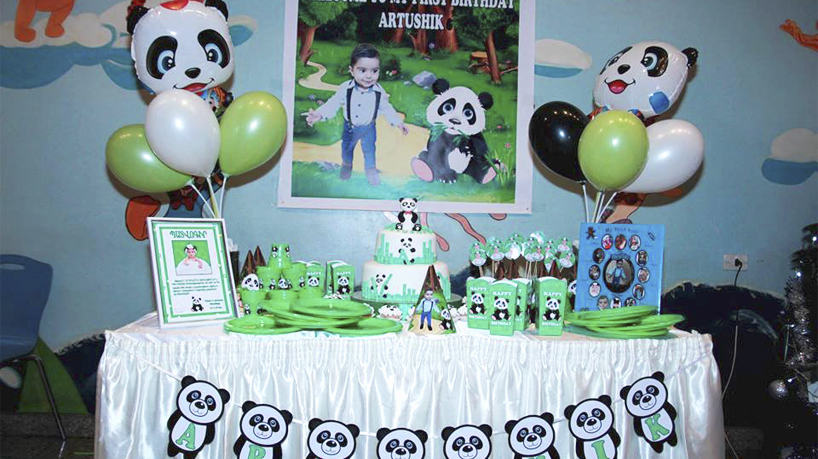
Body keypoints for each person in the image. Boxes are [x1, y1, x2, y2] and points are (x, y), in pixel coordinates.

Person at [302, 43, 409, 186]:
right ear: (351, 71)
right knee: (347, 150)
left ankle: (371, 174)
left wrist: (398, 122)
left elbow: (386, 107)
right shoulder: (346, 89)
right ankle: (346, 171)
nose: (369, 76)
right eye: (362, 70)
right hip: (350, 128)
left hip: (369, 128)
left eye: (374, 71)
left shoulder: (378, 91)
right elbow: (333, 103)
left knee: (369, 151)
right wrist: (320, 114)